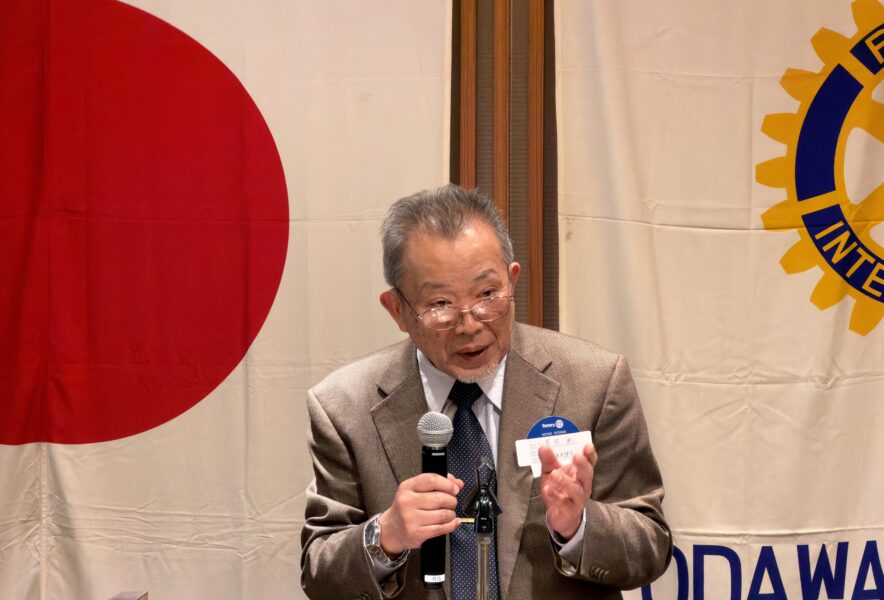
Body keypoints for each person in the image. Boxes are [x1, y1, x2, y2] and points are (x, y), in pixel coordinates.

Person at [300, 184, 671, 600]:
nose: (470, 324)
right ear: (398, 310)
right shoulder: (343, 407)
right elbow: (319, 573)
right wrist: (384, 536)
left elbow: (651, 544)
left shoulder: (594, 382)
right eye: (440, 304)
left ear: (512, 280)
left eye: (488, 295)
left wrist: (579, 526)